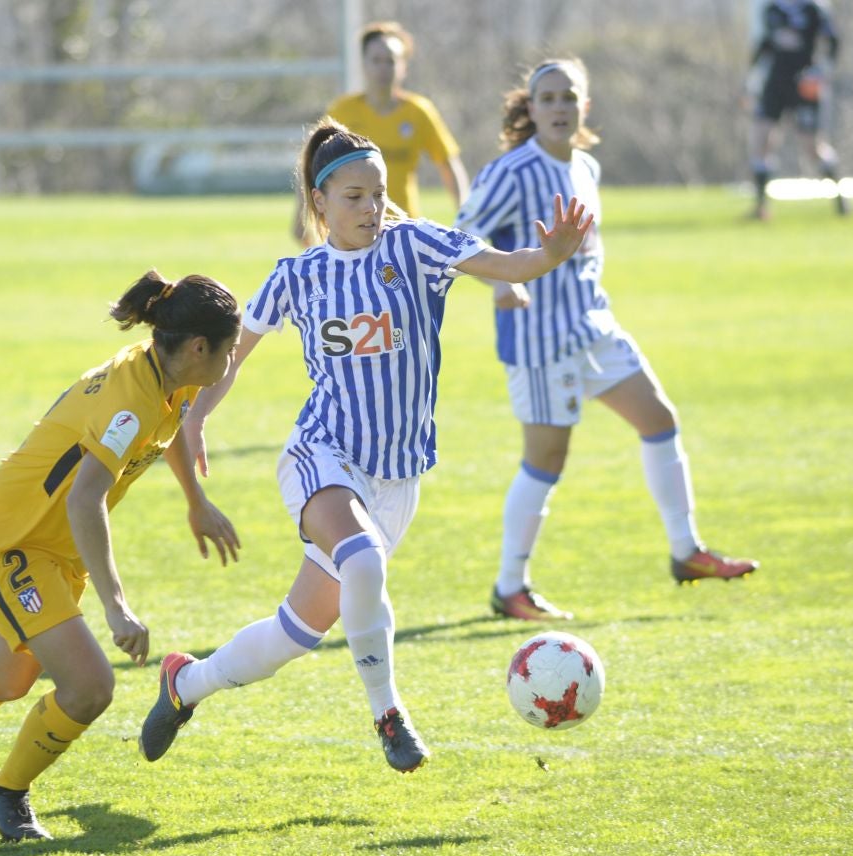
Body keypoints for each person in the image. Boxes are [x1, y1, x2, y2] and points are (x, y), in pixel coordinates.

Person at [138, 118, 592, 774]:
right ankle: (388, 714)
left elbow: (504, 263)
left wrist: (550, 255)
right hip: (321, 454)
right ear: (318, 202)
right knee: (362, 559)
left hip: (396, 476)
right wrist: (197, 418)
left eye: (377, 194)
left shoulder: (414, 246)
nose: (370, 208)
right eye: (353, 196)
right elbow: (231, 358)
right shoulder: (298, 276)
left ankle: (185, 684)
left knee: (291, 637)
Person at [0, 271, 243, 841]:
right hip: (10, 539)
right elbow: (87, 497)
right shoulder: (130, 404)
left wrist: (196, 501)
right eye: (229, 349)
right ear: (197, 348)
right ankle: (5, 793)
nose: (232, 360)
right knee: (90, 686)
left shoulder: (168, 373)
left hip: (54, 547)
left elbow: (179, 426)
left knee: (7, 677)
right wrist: (116, 607)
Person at [454, 58, 759, 622]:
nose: (559, 108)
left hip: (594, 326)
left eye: (568, 97)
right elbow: (461, 233)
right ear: (531, 108)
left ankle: (686, 551)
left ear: (584, 107)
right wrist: (500, 286)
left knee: (659, 419)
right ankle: (509, 586)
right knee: (546, 460)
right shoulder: (511, 171)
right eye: (546, 98)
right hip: (539, 339)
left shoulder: (586, 167)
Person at [292, 21, 468, 243]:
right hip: (352, 229)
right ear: (364, 64)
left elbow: (449, 164)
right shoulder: (343, 111)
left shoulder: (418, 112)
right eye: (376, 60)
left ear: (403, 67)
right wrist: (302, 214)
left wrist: (464, 212)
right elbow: (312, 164)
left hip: (402, 229)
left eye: (391, 61)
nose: (383, 69)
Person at [746, 0, 847, 219]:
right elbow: (766, 45)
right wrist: (751, 80)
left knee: (812, 147)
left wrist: (822, 72)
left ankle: (840, 197)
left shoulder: (814, 9)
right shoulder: (772, 9)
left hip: (804, 85)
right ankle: (761, 207)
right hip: (775, 85)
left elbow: (833, 41)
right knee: (761, 139)